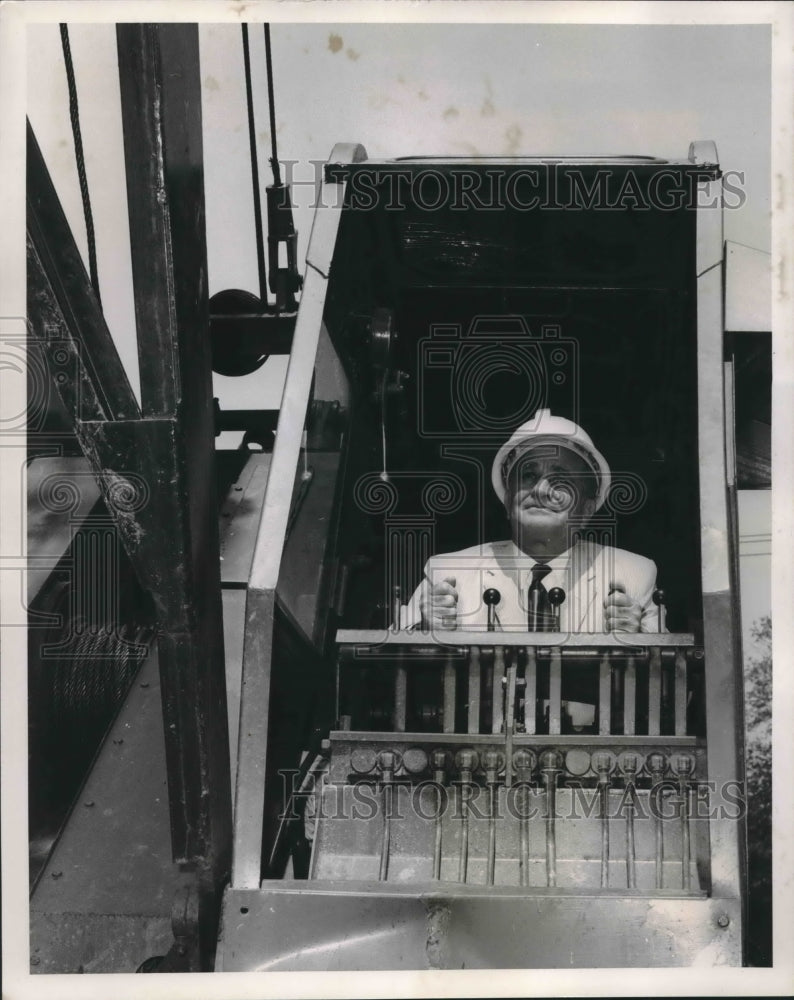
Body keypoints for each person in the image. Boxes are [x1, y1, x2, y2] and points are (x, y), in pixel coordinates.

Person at [402, 409, 665, 634]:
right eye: (528, 475)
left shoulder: (633, 575)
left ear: (586, 509)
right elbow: (392, 672)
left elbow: (668, 679)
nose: (540, 490)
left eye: (560, 479)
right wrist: (425, 631)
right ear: (507, 501)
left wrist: (639, 641)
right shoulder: (447, 574)